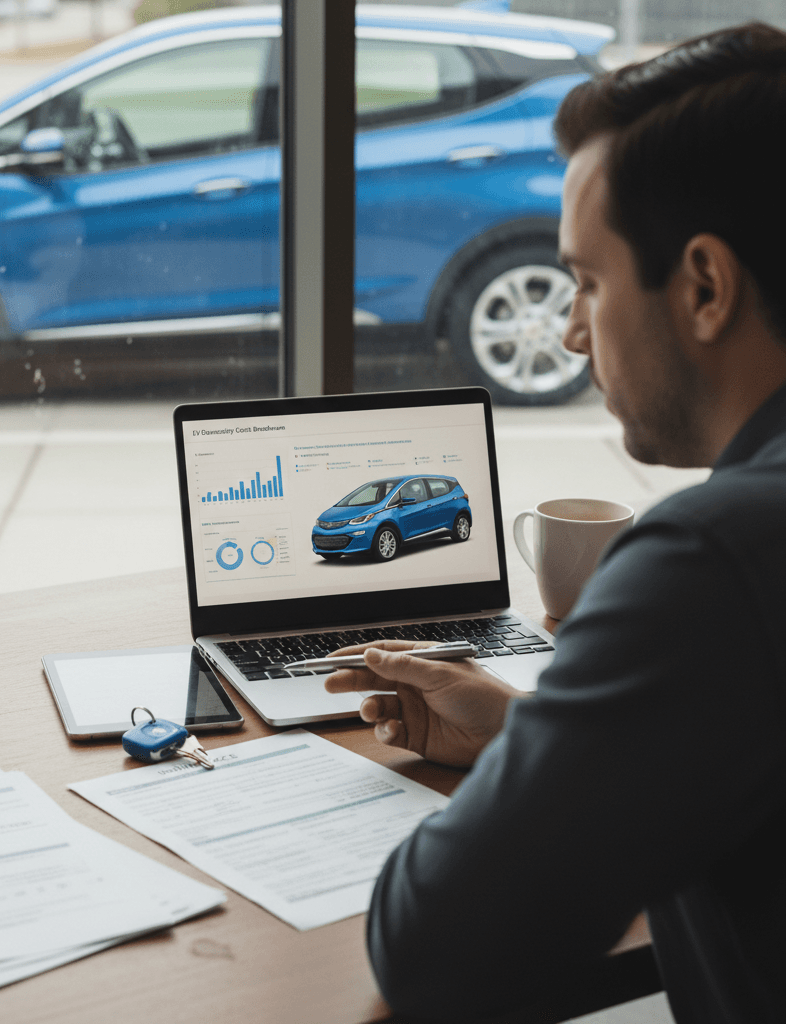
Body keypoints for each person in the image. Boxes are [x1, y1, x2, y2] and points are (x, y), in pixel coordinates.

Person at [325, 22, 785, 1024]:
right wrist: (534, 739)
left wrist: (537, 783)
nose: (573, 330)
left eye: (586, 280)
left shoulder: (716, 554)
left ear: (703, 286)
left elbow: (434, 953)